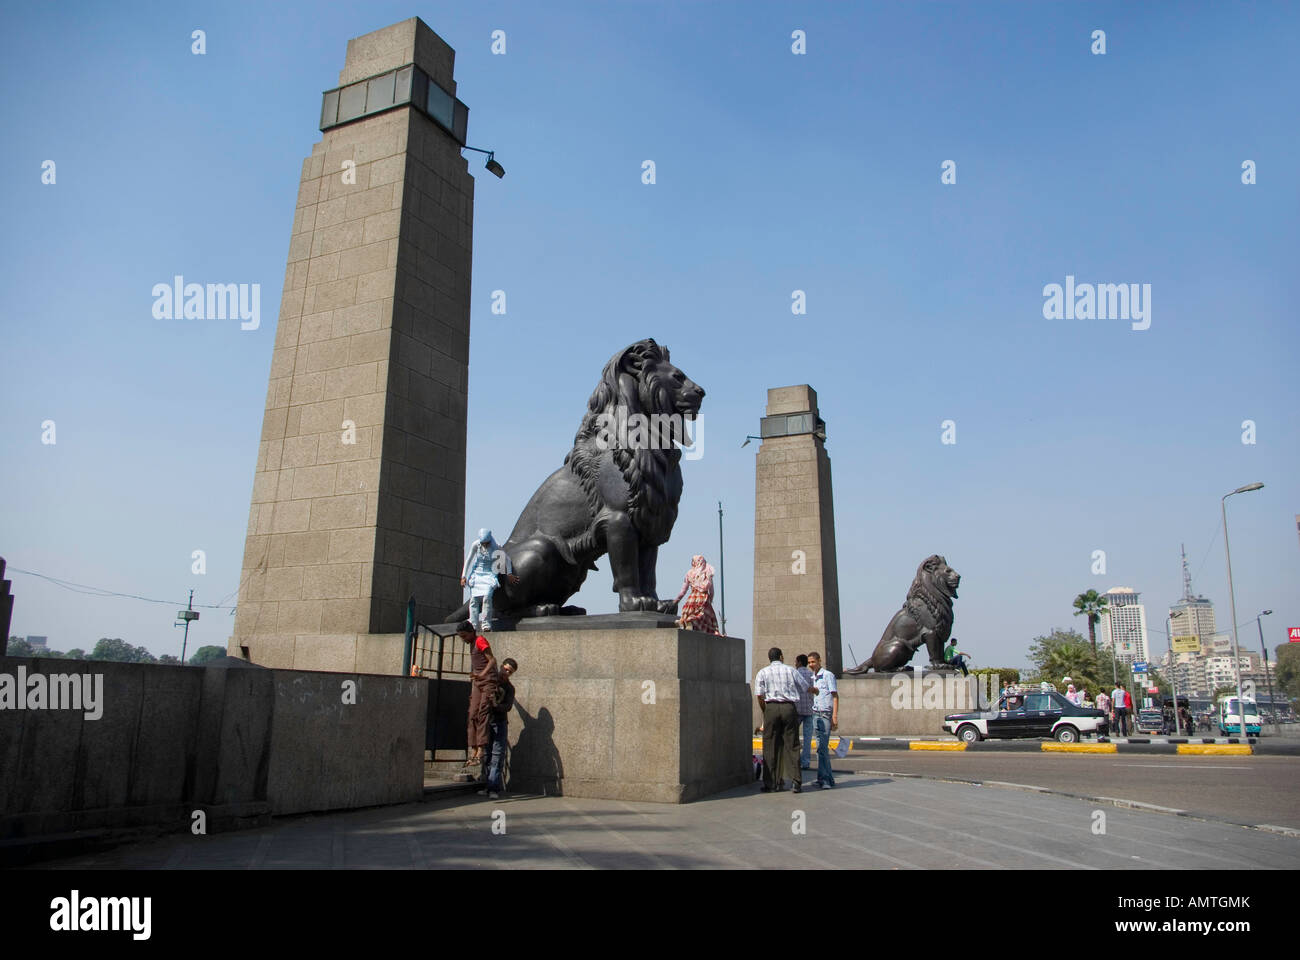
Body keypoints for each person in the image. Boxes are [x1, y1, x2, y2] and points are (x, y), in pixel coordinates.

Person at [754, 647, 810, 794]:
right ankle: (796, 781)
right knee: (792, 745)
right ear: (781, 656)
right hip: (789, 708)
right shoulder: (791, 670)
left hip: (771, 707)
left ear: (769, 658)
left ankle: (770, 783)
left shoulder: (763, 672)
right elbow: (805, 687)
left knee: (770, 745)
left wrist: (766, 710)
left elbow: (759, 695)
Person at [460, 528, 518, 632]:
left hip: (489, 574)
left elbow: (507, 559)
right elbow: (468, 559)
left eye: (486, 543)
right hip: (477, 573)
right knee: (474, 600)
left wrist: (509, 573)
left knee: (487, 597)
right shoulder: (476, 545)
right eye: (483, 543)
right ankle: (473, 624)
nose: (485, 545)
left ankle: (486, 623)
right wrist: (463, 576)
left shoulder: (496, 547)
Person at [457, 620, 498, 767]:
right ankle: (473, 748)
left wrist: (482, 674)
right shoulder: (471, 644)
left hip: (487, 681)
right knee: (472, 713)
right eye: (461, 636)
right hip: (478, 681)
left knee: (483, 712)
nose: (464, 639)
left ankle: (481, 748)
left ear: (471, 632)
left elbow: (492, 660)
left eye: (464, 636)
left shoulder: (480, 640)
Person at [479, 657, 517, 799]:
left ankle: (493, 788)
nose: (506, 672)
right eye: (505, 669)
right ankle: (487, 785)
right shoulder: (492, 681)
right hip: (488, 721)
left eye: (509, 671)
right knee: (487, 754)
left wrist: (495, 705)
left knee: (497, 755)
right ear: (501, 666)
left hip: (500, 722)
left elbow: (508, 707)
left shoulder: (509, 688)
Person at [808, 651, 838, 789]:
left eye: (813, 662)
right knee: (820, 749)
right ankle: (825, 779)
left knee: (823, 748)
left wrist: (834, 716)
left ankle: (825, 780)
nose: (811, 665)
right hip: (816, 714)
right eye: (809, 662)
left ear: (819, 661)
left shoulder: (828, 675)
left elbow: (835, 696)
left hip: (825, 715)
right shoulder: (812, 677)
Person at [674, 555, 720, 634]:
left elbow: (683, 591)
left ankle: (684, 621)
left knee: (689, 613)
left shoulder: (689, 573)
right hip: (703, 598)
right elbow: (711, 591)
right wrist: (710, 601)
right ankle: (691, 622)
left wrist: (676, 601)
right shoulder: (707, 573)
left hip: (692, 598)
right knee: (703, 618)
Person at [795, 654, 817, 770]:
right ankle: (806, 762)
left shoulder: (794, 673)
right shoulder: (811, 674)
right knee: (808, 738)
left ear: (799, 662)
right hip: (809, 709)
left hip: (797, 709)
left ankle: (795, 761)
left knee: (793, 737)